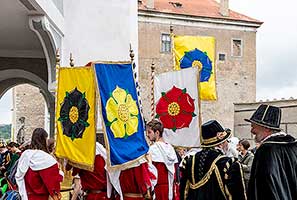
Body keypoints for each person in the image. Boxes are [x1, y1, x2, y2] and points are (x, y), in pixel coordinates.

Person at [180, 120, 246, 200]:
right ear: (220, 144)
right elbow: (238, 195)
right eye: (226, 141)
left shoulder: (189, 162)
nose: (227, 143)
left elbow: (184, 193)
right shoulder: (228, 164)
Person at [245, 104, 297, 200]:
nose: (252, 131)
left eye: (253, 126)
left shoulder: (265, 150)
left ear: (267, 128)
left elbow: (263, 186)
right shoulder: (294, 145)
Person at [15, 128, 63, 200]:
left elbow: (19, 176)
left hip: (26, 195)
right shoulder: (47, 159)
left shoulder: (25, 155)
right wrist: (60, 173)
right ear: (44, 139)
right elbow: (53, 184)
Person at [146, 119, 178, 200]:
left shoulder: (153, 149)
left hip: (158, 189)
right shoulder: (171, 148)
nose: (147, 135)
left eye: (149, 132)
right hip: (171, 187)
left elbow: (150, 172)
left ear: (157, 133)